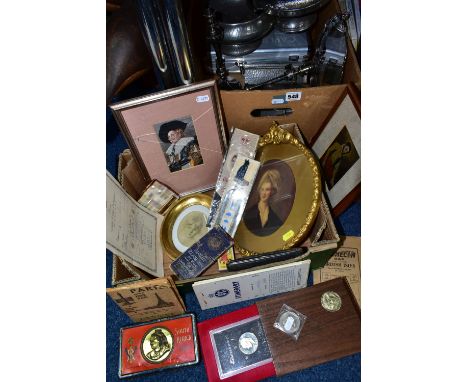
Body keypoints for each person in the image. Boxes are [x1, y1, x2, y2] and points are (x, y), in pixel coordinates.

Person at [243, 169, 283, 236]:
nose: (263, 193)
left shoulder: (276, 218)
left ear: (272, 192)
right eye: (262, 189)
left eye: (267, 189)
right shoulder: (248, 213)